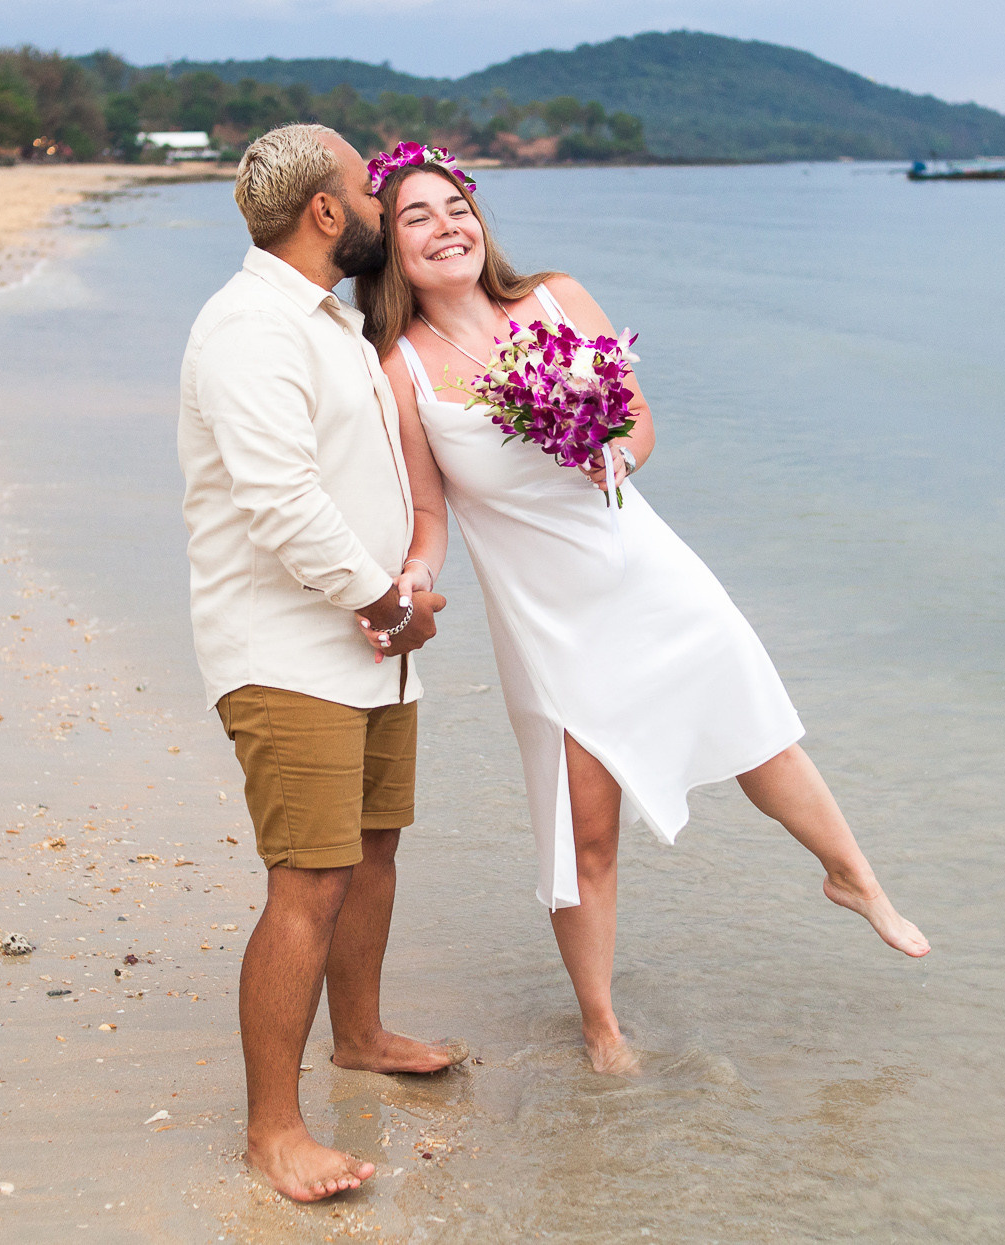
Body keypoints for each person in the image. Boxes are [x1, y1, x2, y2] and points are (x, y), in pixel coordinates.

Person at [354, 145, 930, 1076]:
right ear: (393, 252)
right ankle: (602, 1025)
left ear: (479, 219)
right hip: (549, 618)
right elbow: (430, 512)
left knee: (757, 733)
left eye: (454, 205)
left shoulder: (556, 298)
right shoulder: (400, 370)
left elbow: (639, 419)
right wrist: (412, 579)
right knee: (585, 825)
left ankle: (854, 878)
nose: (444, 225)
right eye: (415, 217)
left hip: (647, 571)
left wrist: (617, 454)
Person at [178, 124, 459, 1203]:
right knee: (309, 878)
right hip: (288, 649)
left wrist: (402, 593)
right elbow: (277, 497)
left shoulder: (329, 321)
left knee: (373, 848)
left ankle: (363, 1033)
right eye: (372, 191)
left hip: (369, 648)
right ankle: (272, 1129)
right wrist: (387, 601)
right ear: (328, 214)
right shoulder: (247, 326)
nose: (389, 208)